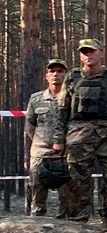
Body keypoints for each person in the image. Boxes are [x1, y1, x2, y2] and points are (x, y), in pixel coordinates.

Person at [54, 38, 107, 229]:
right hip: (78, 136)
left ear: (101, 53)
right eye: (84, 52)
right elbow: (62, 109)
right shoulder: (72, 77)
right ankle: (78, 220)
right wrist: (58, 139)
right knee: (77, 181)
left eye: (92, 51)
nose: (88, 55)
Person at [26, 59, 68, 218]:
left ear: (65, 74)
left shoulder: (70, 98)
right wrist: (42, 142)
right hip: (40, 154)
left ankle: (65, 227)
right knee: (38, 192)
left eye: (60, 71)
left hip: (64, 155)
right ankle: (37, 226)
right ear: (46, 76)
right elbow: (30, 124)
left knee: (67, 195)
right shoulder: (36, 99)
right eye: (52, 71)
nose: (56, 74)